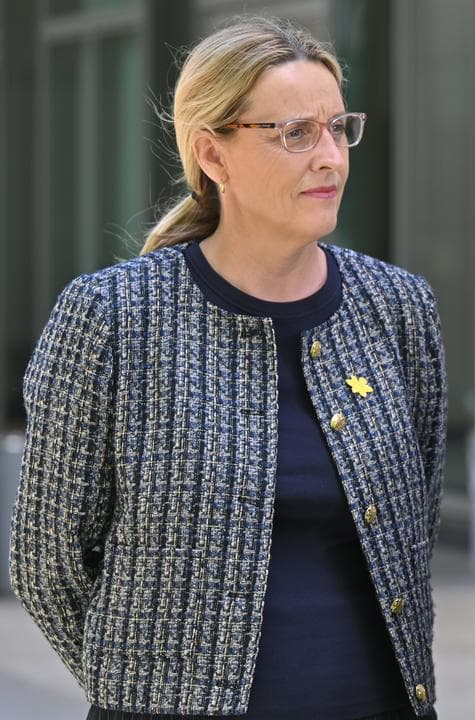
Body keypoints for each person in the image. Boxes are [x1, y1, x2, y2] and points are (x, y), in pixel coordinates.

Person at [10, 16, 446, 719]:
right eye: (295, 133)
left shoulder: (396, 307)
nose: (331, 157)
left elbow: (411, 528)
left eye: (339, 128)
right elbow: (47, 565)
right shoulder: (113, 317)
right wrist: (143, 688)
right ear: (213, 154)